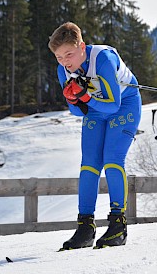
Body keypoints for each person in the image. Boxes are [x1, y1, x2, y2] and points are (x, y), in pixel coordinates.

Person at [48, 22, 142, 250]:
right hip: (96, 111)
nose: (65, 62)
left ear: (81, 46)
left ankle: (118, 226)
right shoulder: (63, 70)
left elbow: (113, 105)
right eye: (59, 57)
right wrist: (75, 100)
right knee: (89, 165)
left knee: (112, 159)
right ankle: (85, 228)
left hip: (124, 106)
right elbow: (77, 111)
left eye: (68, 54)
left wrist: (85, 97)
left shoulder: (103, 59)